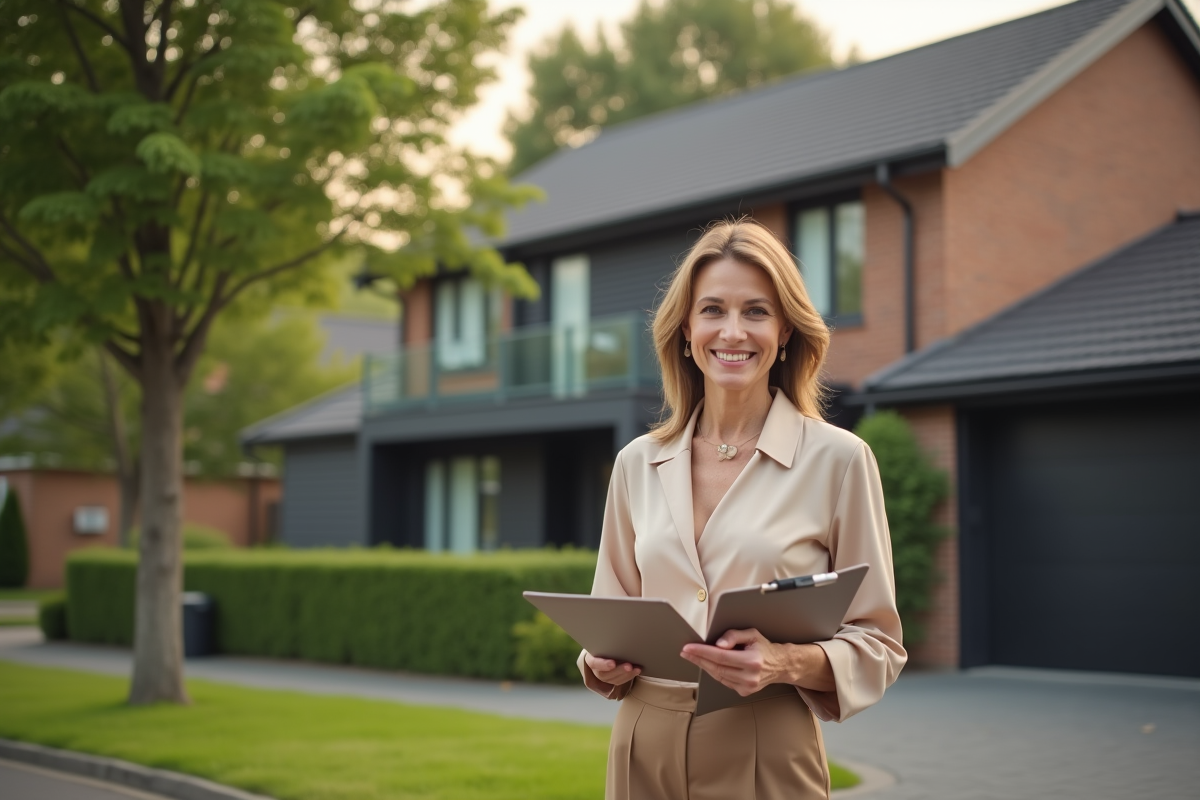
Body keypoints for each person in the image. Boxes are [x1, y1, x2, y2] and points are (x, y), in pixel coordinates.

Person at [578, 219, 906, 799]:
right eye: (713, 310)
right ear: (685, 330)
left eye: (756, 311)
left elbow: (878, 644)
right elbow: (610, 617)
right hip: (641, 747)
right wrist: (599, 661)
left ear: (784, 332)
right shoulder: (636, 463)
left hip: (767, 746)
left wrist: (783, 662)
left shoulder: (840, 460)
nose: (733, 331)